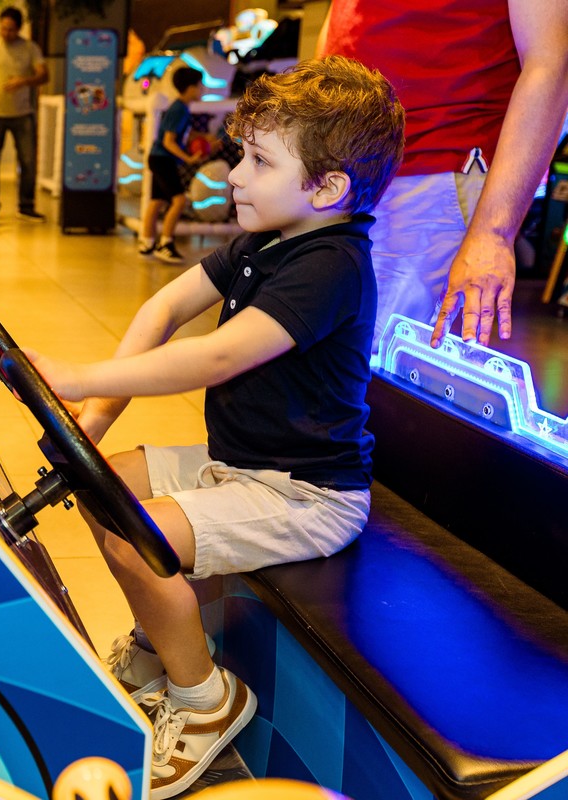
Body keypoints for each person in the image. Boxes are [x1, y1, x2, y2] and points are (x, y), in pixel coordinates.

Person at [26, 56, 405, 798]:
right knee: (105, 486)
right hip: (240, 461)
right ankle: (154, 645)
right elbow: (162, 311)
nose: (233, 174)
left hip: (306, 494)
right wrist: (94, 424)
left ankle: (205, 701)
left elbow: (216, 356)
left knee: (141, 537)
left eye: (259, 161)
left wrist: (77, 377)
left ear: (327, 188)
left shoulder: (332, 264)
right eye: (241, 153)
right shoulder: (265, 241)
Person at [318, 0, 568, 352]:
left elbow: (550, 64)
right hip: (343, 175)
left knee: (372, 374)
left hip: (437, 168)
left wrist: (493, 233)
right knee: (315, 365)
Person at [0, 7, 48, 222]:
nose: (6, 33)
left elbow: (44, 75)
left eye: (10, 29)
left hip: (22, 113)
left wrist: (24, 81)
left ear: (19, 28)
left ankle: (26, 205)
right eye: (3, 28)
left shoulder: (30, 49)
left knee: (28, 161)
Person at [139, 67, 205, 264]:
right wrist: (188, 158)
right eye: (200, 86)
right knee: (179, 200)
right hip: (163, 159)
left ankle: (147, 242)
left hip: (158, 158)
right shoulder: (179, 109)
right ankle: (166, 244)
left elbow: (181, 135)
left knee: (157, 200)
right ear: (190, 88)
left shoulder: (181, 108)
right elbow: (169, 140)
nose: (202, 90)